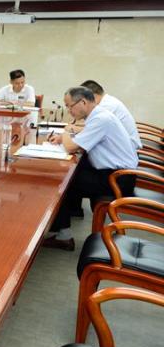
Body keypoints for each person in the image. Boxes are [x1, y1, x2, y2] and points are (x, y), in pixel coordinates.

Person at [44, 86, 137, 250]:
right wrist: (65, 137)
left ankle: (63, 236)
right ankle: (65, 222)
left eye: (70, 106)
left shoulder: (101, 118)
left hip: (118, 179)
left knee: (62, 181)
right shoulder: (98, 115)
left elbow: (71, 147)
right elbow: (80, 141)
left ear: (83, 102)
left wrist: (66, 132)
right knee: (70, 174)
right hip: (114, 174)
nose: (69, 111)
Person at [79, 80, 141, 149]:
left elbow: (92, 130)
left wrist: (74, 129)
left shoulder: (107, 106)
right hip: (121, 142)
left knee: (84, 148)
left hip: (128, 147)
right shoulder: (107, 101)